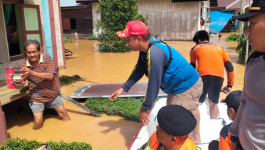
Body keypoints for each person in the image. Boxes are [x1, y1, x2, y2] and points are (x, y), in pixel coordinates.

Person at [110, 20, 203, 143]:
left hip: (186, 87)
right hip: (179, 85)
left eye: (128, 39)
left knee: (175, 121)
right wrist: (123, 88)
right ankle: (196, 136)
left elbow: (154, 84)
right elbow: (139, 69)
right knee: (187, 108)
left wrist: (145, 109)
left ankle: (189, 141)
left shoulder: (155, 53)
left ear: (138, 38)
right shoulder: (146, 49)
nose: (127, 43)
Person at [229, 0, 265, 149]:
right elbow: (245, 100)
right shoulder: (254, 59)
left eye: (252, 24)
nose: (246, 31)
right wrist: (234, 134)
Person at [20, 40, 70, 130]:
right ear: (25, 53)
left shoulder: (47, 59)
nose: (32, 55)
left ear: (39, 51)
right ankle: (35, 138)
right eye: (29, 52)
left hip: (52, 93)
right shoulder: (24, 65)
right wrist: (17, 81)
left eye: (34, 52)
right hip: (36, 96)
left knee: (64, 114)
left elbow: (50, 76)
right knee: (38, 121)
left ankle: (70, 132)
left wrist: (31, 72)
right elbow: (22, 81)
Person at [190, 30, 234, 119]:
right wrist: (230, 85)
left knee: (195, 102)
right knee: (213, 102)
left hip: (202, 76)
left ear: (198, 40)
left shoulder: (195, 48)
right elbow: (229, 66)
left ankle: (194, 126)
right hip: (219, 77)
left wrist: (189, 83)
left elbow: (192, 67)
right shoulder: (220, 47)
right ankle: (214, 123)